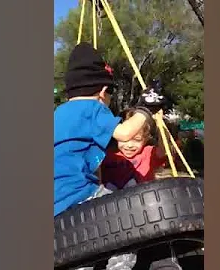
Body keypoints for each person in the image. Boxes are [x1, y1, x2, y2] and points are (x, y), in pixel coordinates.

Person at [54, 42, 151, 270]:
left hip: (56, 203)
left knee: (80, 250)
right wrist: (146, 109)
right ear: (102, 92)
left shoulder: (58, 113)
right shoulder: (92, 108)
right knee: (127, 213)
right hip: (80, 194)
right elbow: (125, 133)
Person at [101, 108, 171, 190]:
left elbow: (163, 149)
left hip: (141, 198)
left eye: (137, 140)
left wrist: (160, 126)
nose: (130, 145)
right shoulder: (108, 155)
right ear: (117, 137)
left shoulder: (148, 153)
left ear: (146, 139)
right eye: (125, 140)